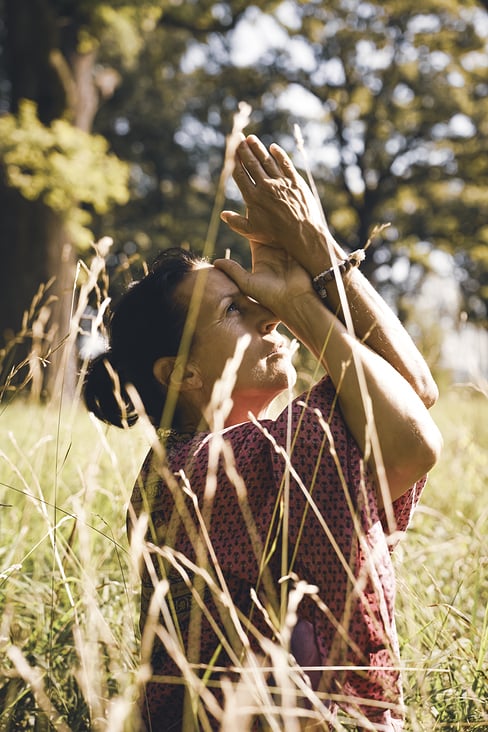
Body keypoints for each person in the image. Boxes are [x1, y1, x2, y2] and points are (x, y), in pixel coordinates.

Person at [83, 134, 442, 731]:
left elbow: (412, 395)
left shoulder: (225, 455)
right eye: (235, 310)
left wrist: (317, 255)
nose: (267, 314)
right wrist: (307, 284)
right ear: (182, 375)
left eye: (255, 300)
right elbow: (413, 434)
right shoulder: (203, 472)